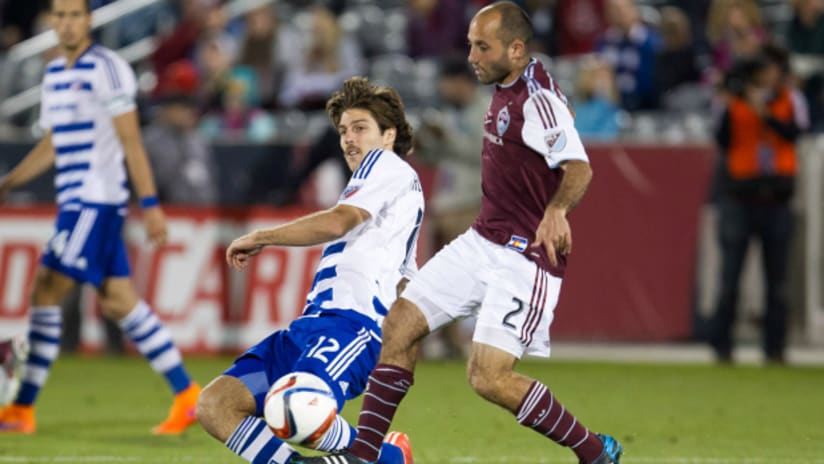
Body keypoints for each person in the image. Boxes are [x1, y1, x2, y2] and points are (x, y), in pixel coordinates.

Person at [295, 3, 623, 464]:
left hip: (524, 257)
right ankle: (364, 455)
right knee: (399, 326)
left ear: (515, 48)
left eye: (482, 46)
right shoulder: (505, 88)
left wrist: (557, 210)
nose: (472, 55)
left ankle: (595, 450)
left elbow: (579, 167)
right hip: (482, 241)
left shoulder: (539, 101)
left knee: (488, 378)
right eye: (470, 43)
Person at [195, 76, 423, 464]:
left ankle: (384, 457)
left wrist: (264, 236)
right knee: (216, 404)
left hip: (351, 325)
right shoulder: (379, 188)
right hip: (308, 327)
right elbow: (405, 275)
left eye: (360, 128)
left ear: (389, 136)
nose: (349, 139)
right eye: (343, 130)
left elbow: (338, 222)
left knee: (298, 408)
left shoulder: (388, 166)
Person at [0, 0, 200, 435]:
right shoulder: (54, 74)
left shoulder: (108, 68)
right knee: (118, 300)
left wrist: (150, 206)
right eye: (61, 15)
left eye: (76, 15)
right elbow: (53, 144)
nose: (68, 23)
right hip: (74, 201)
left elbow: (131, 141)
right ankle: (188, 396)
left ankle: (20, 408)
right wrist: (9, 182)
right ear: (51, 21)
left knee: (46, 288)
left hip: (97, 201)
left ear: (88, 20)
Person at [710, 45, 809, 364]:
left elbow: (794, 133)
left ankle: (775, 348)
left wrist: (763, 111)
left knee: (777, 280)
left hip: (777, 199)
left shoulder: (789, 100)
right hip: (739, 197)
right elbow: (722, 139)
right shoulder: (734, 102)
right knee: (730, 275)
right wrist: (732, 101)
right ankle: (722, 346)